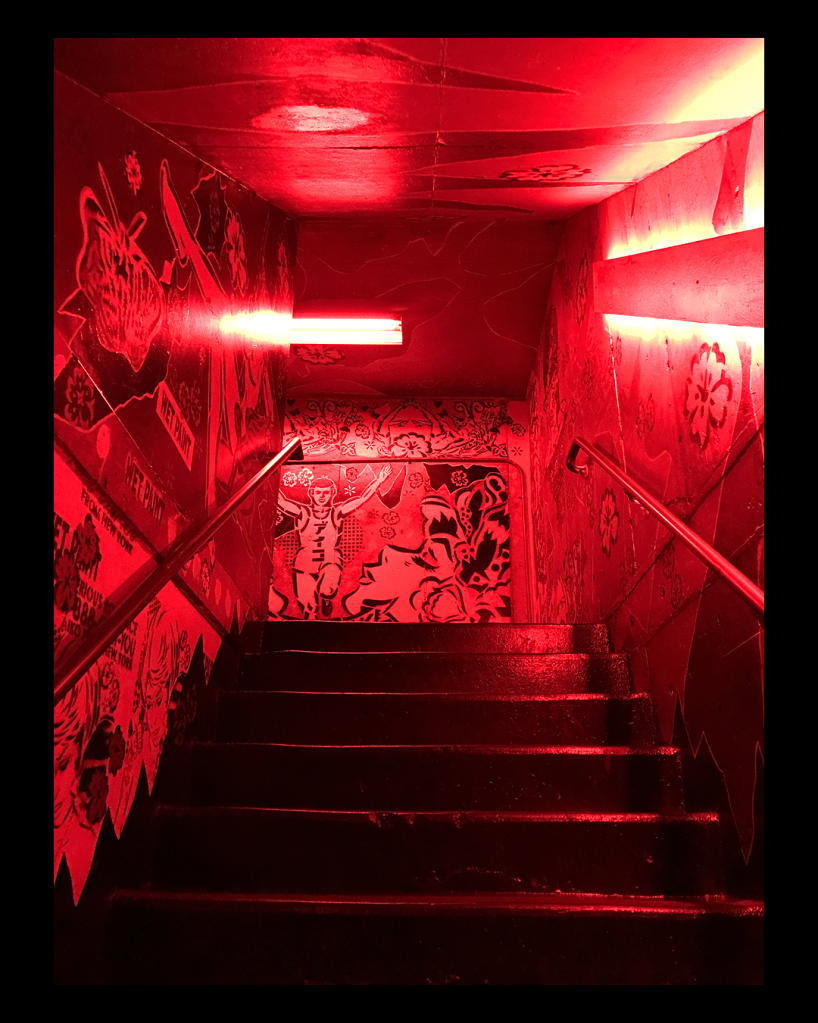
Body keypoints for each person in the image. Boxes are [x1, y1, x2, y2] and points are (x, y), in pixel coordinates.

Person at [277, 466, 392, 619]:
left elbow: (361, 499)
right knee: (308, 605)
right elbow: (282, 502)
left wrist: (378, 480)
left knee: (328, 584)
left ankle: (326, 597)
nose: (322, 496)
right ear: (312, 494)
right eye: (318, 492)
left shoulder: (336, 512)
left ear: (332, 493)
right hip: (305, 561)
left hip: (329, 558)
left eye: (325, 492)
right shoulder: (303, 513)